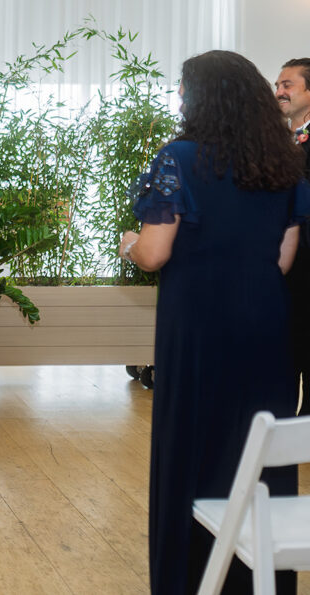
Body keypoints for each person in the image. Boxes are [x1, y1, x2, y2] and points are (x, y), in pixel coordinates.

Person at [119, 50, 308, 594]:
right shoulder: (282, 163)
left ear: (202, 99)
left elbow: (155, 253)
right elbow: (283, 258)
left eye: (184, 89)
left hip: (199, 325)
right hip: (266, 323)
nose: (179, 99)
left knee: (195, 445)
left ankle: (191, 577)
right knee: (257, 446)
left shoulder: (179, 157)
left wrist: (130, 243)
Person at [275, 58, 310, 416]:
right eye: (278, 85)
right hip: (282, 262)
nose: (279, 91)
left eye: (288, 85)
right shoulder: (274, 139)